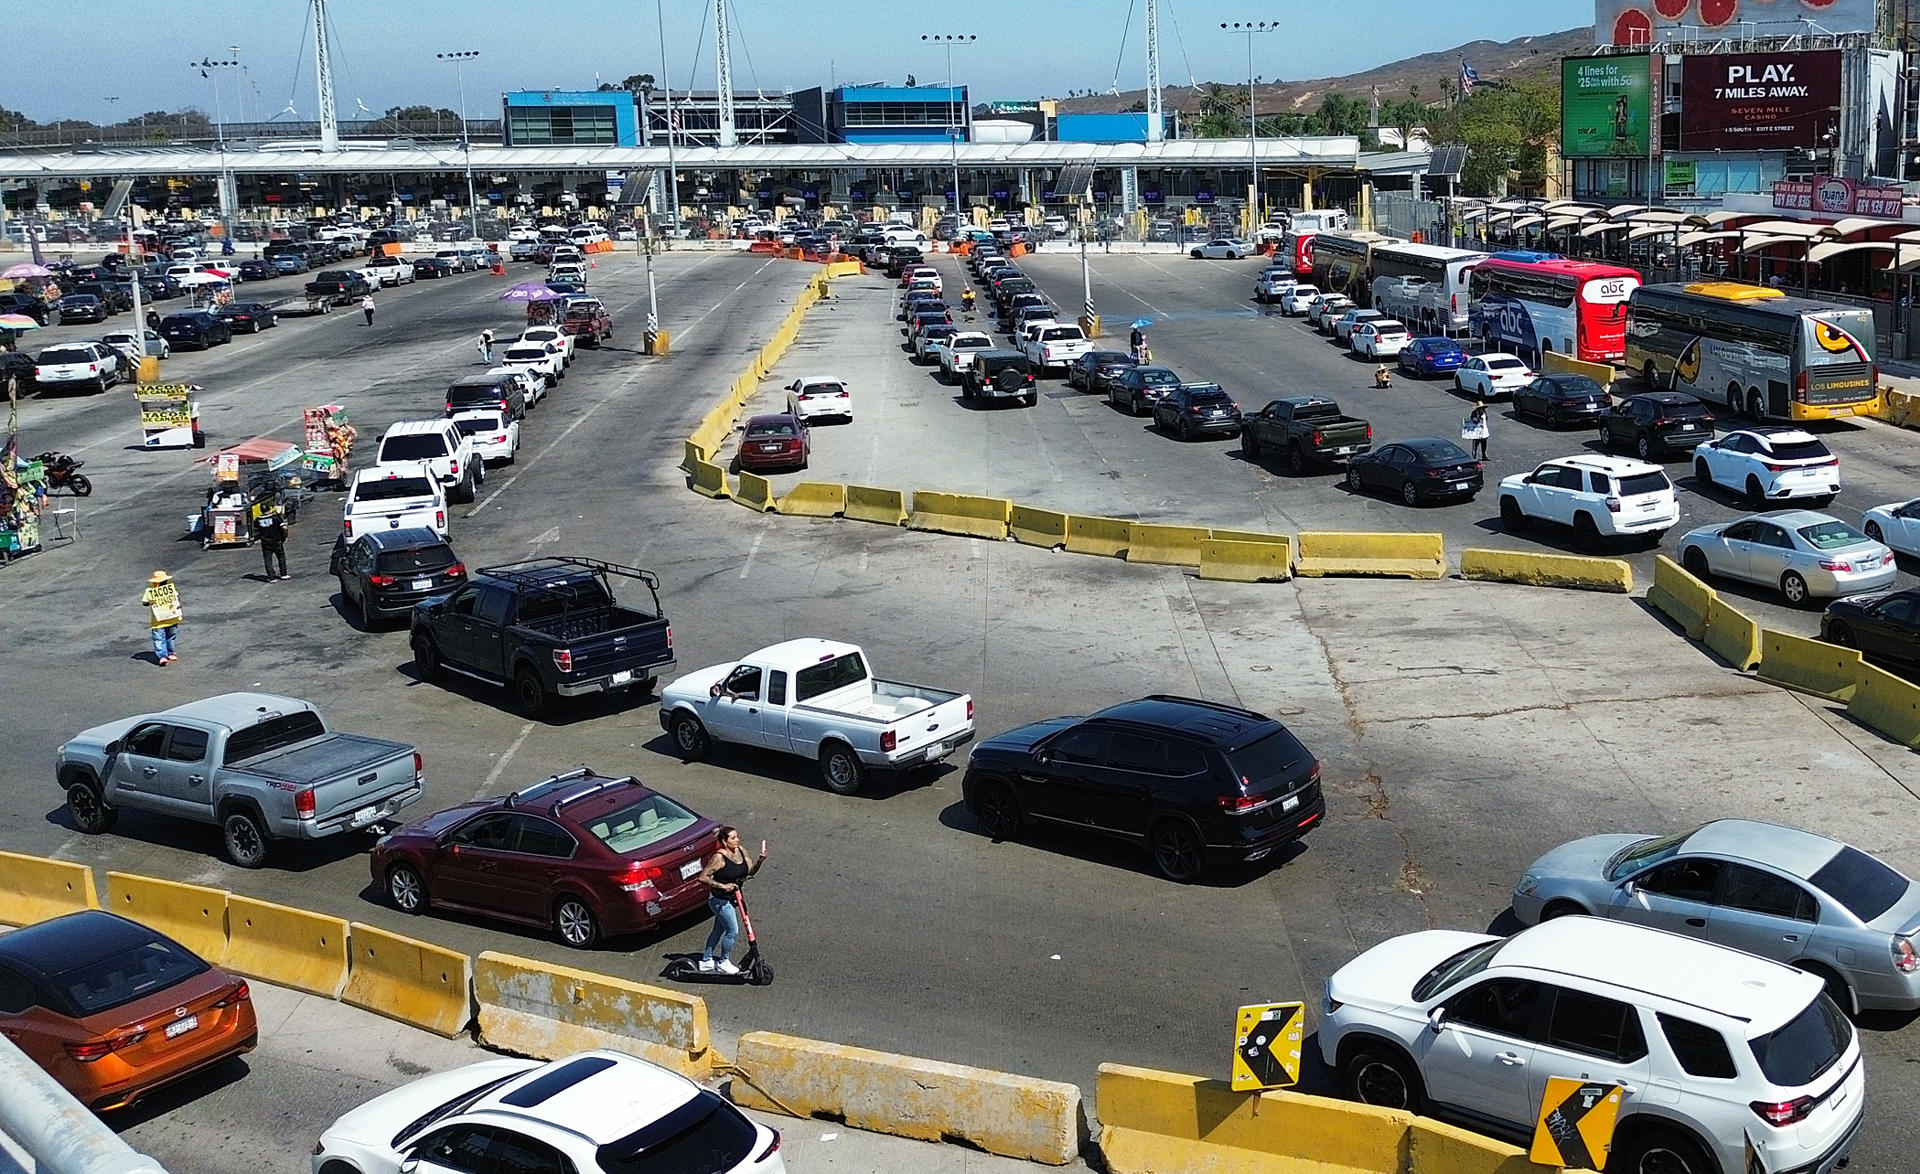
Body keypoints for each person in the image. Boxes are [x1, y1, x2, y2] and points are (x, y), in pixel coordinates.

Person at [697, 826, 767, 974]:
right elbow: (703, 877)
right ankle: (723, 961)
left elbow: (750, 871)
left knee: (718, 929)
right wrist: (723, 886)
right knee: (732, 931)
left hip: (734, 898)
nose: (737, 840)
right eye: (733, 838)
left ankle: (706, 960)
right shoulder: (719, 858)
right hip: (719, 900)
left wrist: (760, 861)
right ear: (724, 841)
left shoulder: (741, 851)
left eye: (737, 837)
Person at [142, 569, 183, 665]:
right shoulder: (167, 590)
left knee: (160, 638)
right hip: (169, 619)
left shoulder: (150, 591)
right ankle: (167, 654)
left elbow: (145, 603)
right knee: (169, 636)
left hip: (161, 620)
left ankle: (164, 655)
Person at [256, 505, 289, 581]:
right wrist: (285, 536)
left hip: (265, 542)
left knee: (268, 560)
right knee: (281, 557)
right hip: (277, 541)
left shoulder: (258, 520)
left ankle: (271, 577)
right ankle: (283, 574)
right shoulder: (275, 518)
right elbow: (284, 527)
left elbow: (256, 529)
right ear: (269, 509)